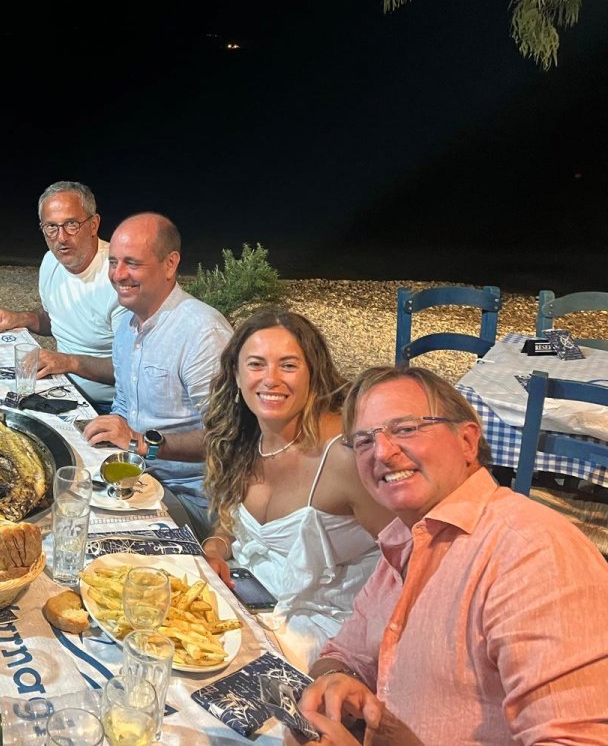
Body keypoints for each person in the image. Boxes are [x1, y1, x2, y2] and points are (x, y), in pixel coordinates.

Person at [294, 366, 608, 745]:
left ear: (467, 441)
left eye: (406, 428)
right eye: (363, 440)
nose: (382, 451)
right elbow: (345, 653)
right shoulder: (406, 538)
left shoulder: (532, 554)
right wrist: (334, 682)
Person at [198, 310, 393, 670]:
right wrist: (215, 548)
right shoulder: (246, 436)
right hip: (252, 607)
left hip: (330, 646)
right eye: (256, 364)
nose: (270, 380)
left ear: (312, 375)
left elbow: (414, 562)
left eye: (288, 365)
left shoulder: (345, 457)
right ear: (236, 376)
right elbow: (230, 522)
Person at [82, 213, 232, 534]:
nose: (118, 275)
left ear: (170, 264)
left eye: (132, 263)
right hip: (137, 479)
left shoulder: (202, 333)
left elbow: (229, 437)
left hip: (192, 499)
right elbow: (123, 404)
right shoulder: (126, 323)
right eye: (113, 262)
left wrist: (143, 444)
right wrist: (108, 434)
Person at [0, 181, 125, 411]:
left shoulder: (118, 277)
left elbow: (133, 369)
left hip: (110, 404)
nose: (61, 238)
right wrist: (22, 318)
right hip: (63, 388)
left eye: (71, 224)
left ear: (94, 224)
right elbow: (56, 319)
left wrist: (68, 362)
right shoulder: (51, 261)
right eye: (51, 227)